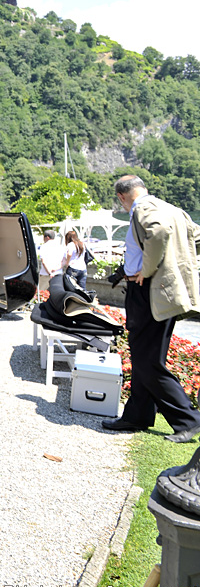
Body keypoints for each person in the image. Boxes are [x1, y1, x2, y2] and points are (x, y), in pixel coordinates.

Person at [103, 175, 200, 442]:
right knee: (144, 356)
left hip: (147, 291)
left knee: (148, 361)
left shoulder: (142, 209)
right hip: (162, 292)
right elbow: (195, 236)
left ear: (123, 197)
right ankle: (138, 415)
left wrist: (148, 269)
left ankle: (188, 420)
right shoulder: (172, 208)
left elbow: (158, 232)